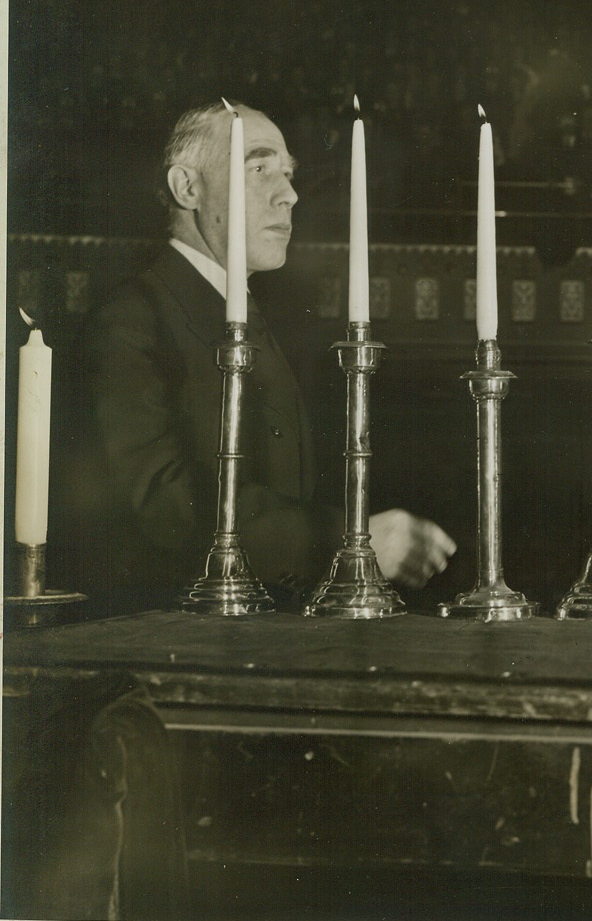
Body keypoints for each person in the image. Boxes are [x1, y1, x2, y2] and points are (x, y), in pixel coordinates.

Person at [56, 101, 455, 614]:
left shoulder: (258, 315)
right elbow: (162, 505)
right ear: (187, 189)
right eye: (259, 168)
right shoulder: (129, 321)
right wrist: (347, 539)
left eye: (288, 174)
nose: (288, 194)